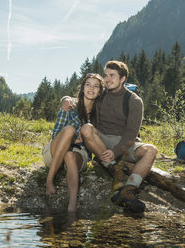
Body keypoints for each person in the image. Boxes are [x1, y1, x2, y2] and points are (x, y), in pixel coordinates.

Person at [62, 61, 158, 213]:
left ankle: (128, 190)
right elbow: (84, 96)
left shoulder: (134, 101)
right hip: (101, 139)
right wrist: (66, 99)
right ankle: (115, 171)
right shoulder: (101, 94)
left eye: (112, 76)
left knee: (151, 150)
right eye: (106, 75)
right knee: (86, 129)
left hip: (125, 143)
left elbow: (131, 134)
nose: (107, 79)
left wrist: (116, 151)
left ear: (123, 78)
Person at [42, 73, 105, 212]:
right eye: (88, 84)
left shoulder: (101, 112)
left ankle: (72, 208)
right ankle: (49, 180)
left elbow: (100, 138)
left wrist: (86, 136)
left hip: (79, 154)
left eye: (96, 86)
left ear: (100, 91)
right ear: (82, 88)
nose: (91, 88)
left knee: (70, 156)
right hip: (54, 152)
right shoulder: (70, 105)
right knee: (69, 130)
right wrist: (72, 138)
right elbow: (56, 134)